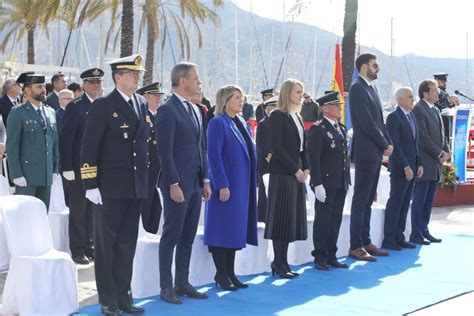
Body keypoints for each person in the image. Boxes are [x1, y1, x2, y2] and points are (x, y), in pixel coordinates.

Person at [81, 55, 150, 315]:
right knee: (107, 245)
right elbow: (89, 147)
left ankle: (124, 296)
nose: (137, 77)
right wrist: (90, 184)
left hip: (134, 187)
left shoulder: (141, 104)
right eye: (132, 74)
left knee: (126, 245)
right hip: (108, 188)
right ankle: (107, 299)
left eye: (138, 73)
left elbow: (141, 146)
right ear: (117, 77)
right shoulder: (102, 106)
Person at [155, 62, 211, 305]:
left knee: (188, 236)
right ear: (183, 81)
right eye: (195, 78)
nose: (199, 82)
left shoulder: (196, 110)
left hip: (196, 184)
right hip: (177, 185)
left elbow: (202, 149)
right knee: (171, 236)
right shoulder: (168, 110)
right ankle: (166, 286)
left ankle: (182, 282)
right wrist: (173, 183)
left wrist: (206, 180)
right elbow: (164, 153)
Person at [205, 84, 258, 290]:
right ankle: (221, 273)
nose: (241, 101)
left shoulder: (241, 122)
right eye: (237, 97)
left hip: (242, 185)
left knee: (235, 230)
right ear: (226, 100)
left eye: (242, 97)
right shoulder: (218, 123)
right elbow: (214, 156)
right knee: (222, 230)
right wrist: (222, 184)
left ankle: (231, 272)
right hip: (227, 185)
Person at [348, 53, 393, 262]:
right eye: (375, 65)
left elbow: (380, 121)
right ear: (364, 67)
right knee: (361, 199)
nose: (378, 68)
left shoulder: (371, 88)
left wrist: (388, 142)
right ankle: (355, 245)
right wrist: (383, 144)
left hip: (374, 151)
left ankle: (365, 241)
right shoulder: (357, 88)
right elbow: (366, 122)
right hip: (366, 152)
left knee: (368, 199)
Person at [264, 79, 309, 279]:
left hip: (297, 173)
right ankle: (278, 261)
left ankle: (284, 261)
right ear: (287, 93)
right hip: (283, 173)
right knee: (281, 220)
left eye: (302, 92)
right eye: (297, 91)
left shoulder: (298, 116)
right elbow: (278, 148)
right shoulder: (278, 116)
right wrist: (294, 170)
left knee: (290, 220)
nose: (301, 95)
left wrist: (306, 167)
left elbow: (303, 146)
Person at [61, 67, 104, 265]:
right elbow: (66, 139)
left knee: (93, 209)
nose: (96, 86)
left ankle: (90, 246)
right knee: (78, 209)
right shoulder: (76, 106)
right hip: (78, 168)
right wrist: (67, 167)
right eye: (92, 82)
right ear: (84, 85)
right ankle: (77, 249)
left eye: (99, 82)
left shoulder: (104, 105)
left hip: (98, 168)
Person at [307, 91, 350, 271]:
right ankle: (320, 256)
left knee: (335, 219)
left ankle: (332, 254)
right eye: (335, 105)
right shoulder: (318, 129)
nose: (339, 107)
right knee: (323, 220)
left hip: (340, 182)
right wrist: (317, 184)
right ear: (325, 108)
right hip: (325, 182)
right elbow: (314, 159)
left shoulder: (340, 128)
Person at [6, 73, 60, 210]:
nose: (43, 89)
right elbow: (12, 147)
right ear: (28, 91)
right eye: (39, 87)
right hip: (26, 177)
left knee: (42, 215)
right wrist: (16, 174)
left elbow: (54, 144)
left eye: (43, 86)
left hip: (46, 175)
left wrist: (54, 169)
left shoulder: (50, 112)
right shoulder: (18, 113)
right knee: (25, 217)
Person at [382, 87, 423, 251]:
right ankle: (389, 238)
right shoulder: (394, 117)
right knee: (396, 202)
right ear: (400, 100)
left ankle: (399, 236)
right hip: (400, 168)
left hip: (412, 166)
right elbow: (396, 145)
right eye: (410, 97)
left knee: (405, 202)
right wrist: (406, 166)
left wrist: (418, 163)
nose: (413, 99)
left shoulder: (412, 116)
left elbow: (415, 143)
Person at [410, 79, 450, 245]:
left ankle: (424, 229)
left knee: (428, 200)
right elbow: (423, 137)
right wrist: (439, 152)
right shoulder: (419, 109)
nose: (438, 93)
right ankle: (416, 233)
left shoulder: (435, 109)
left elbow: (442, 135)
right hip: (425, 161)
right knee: (420, 199)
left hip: (436, 163)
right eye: (434, 90)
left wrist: (446, 151)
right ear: (425, 93)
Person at [136, 82, 165, 234]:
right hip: (146, 170)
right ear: (146, 97)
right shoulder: (142, 116)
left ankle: (151, 234)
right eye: (156, 96)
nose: (159, 98)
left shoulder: (157, 116)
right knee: (146, 207)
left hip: (156, 172)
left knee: (156, 208)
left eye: (160, 96)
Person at [256, 95, 278, 222]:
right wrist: (271, 159)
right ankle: (262, 217)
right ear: (267, 109)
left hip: (275, 161)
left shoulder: (276, 122)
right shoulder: (264, 124)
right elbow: (265, 146)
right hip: (267, 162)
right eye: (273, 107)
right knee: (265, 191)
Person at [433, 73, 453, 141]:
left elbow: (446, 106)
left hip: (446, 122)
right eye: (443, 82)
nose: (445, 83)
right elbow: (436, 106)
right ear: (436, 80)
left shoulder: (445, 93)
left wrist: (452, 105)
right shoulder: (434, 92)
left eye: (445, 82)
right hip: (438, 122)